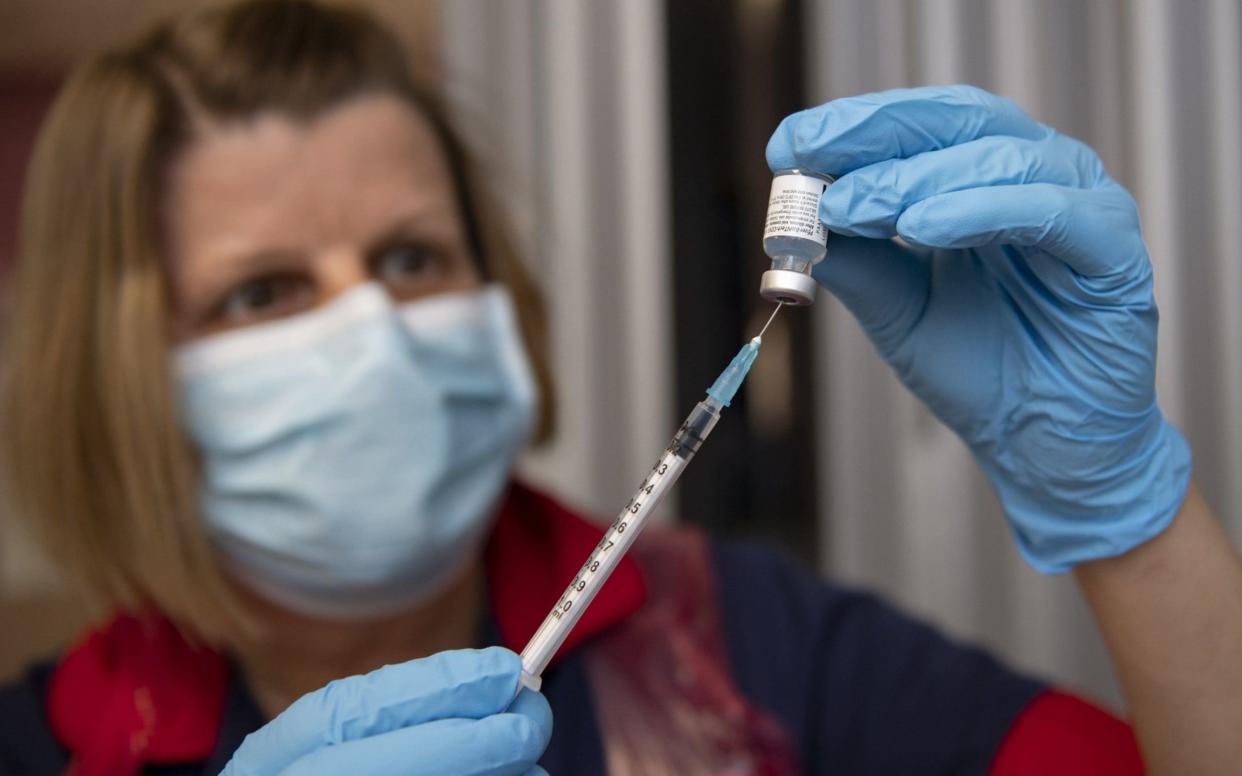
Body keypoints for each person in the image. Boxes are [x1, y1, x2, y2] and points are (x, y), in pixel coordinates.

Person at [1, 1, 1239, 774]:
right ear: (110, 376)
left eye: (412, 257)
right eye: (264, 290)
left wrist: (1128, 512)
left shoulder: (756, 654)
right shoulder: (42, 739)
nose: (369, 331)